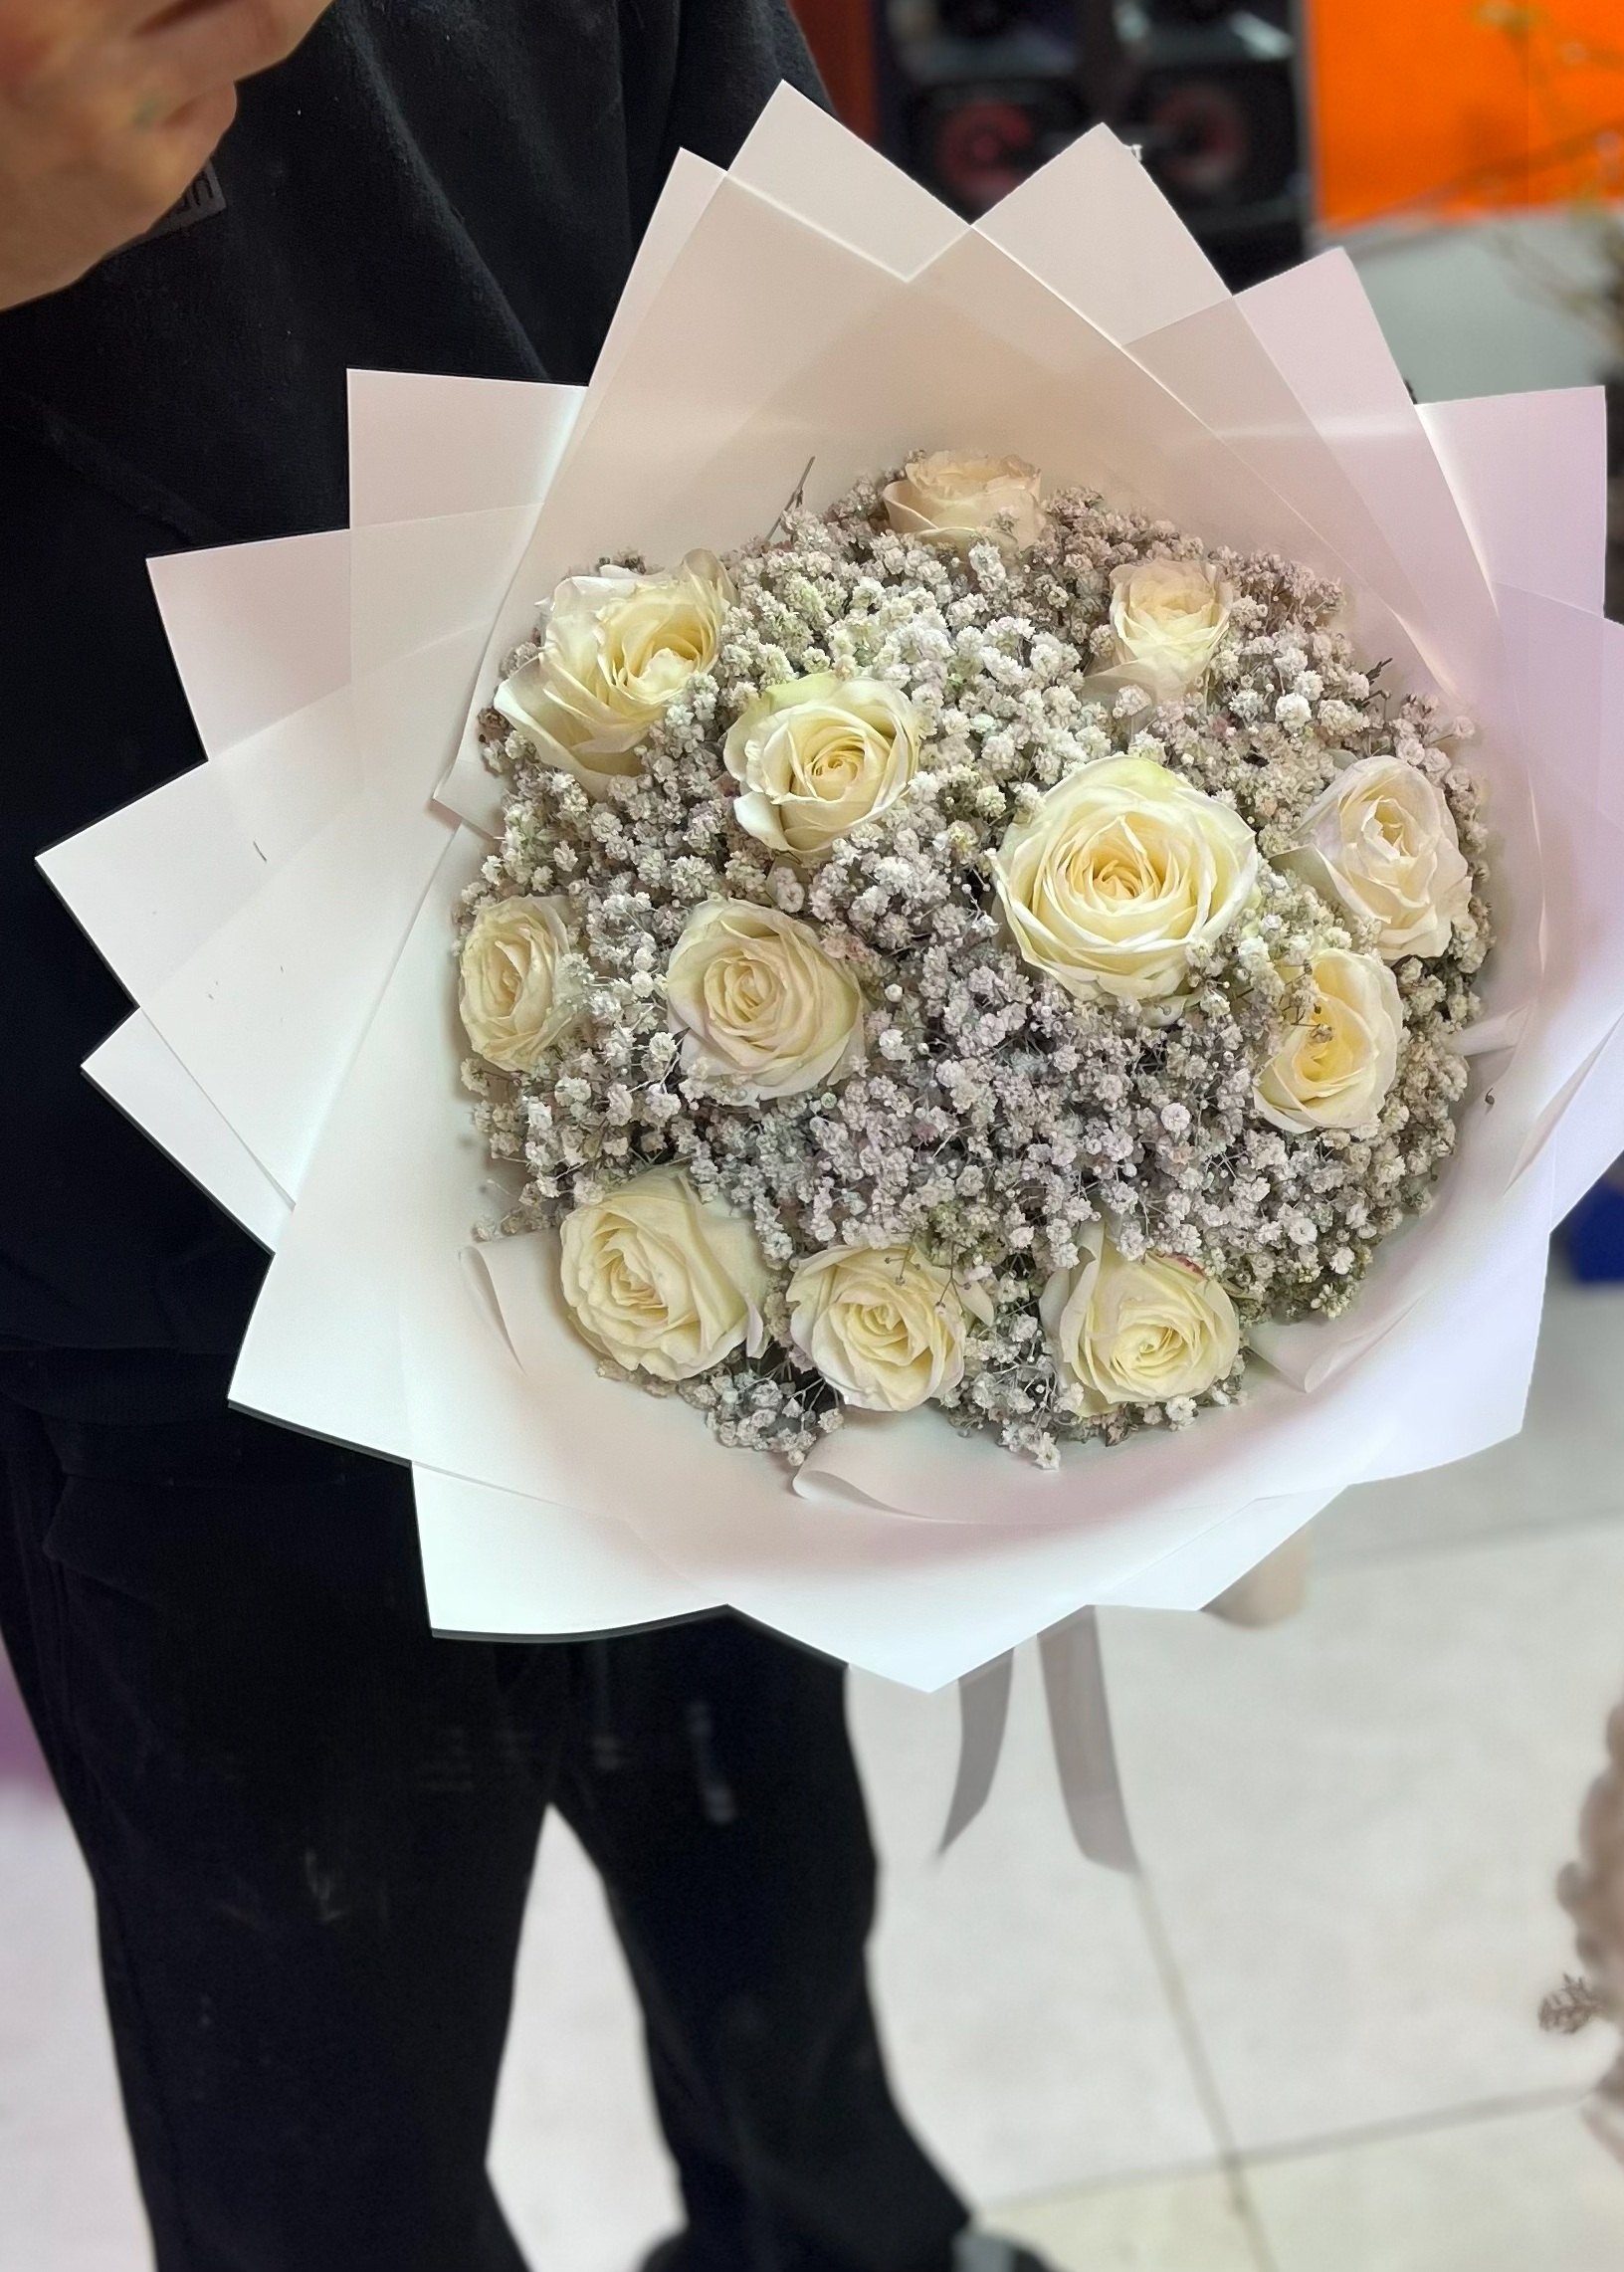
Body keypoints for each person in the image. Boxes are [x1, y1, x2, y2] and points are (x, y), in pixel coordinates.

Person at [0, 8, 1054, 2268]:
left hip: (699, 1076)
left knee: (765, 1860)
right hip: (148, 1199)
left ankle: (846, 2235)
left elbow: (770, 243)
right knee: (325, 2087)